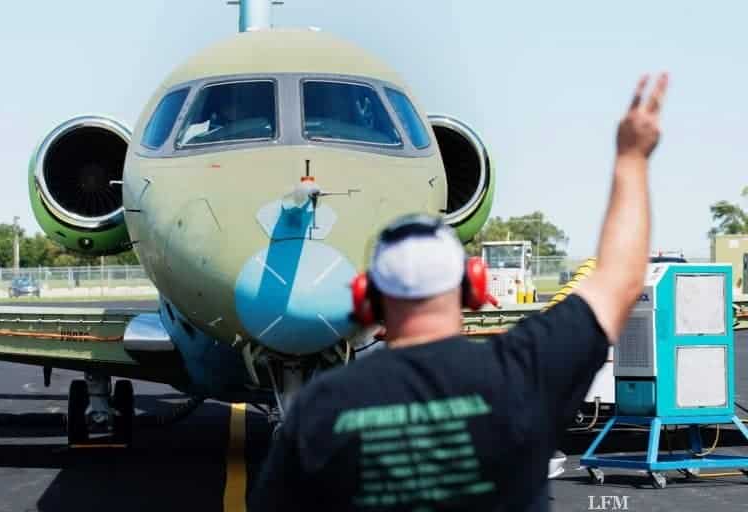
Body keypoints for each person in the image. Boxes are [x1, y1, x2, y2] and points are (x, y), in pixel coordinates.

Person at [248, 73, 668, 511]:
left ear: (365, 296)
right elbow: (618, 281)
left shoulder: (322, 408)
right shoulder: (524, 371)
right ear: (473, 285)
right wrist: (632, 158)